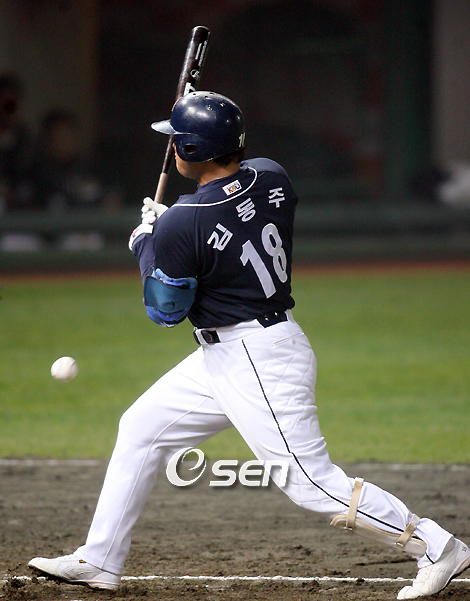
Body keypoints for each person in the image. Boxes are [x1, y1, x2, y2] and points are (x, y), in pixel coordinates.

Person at [28, 92, 469, 599]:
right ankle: (99, 560)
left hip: (256, 360)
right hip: (233, 353)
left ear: (192, 150)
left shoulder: (183, 221)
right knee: (141, 430)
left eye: (176, 140)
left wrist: (146, 243)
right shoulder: (271, 175)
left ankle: (436, 546)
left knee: (309, 483)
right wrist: (169, 231)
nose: (171, 147)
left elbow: (165, 310)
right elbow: (229, 215)